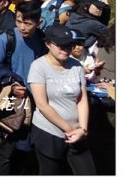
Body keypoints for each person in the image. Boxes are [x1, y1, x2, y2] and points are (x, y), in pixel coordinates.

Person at [28, 24, 96, 175]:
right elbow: (42, 105)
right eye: (60, 45)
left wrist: (82, 129)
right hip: (49, 131)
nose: (65, 50)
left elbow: (82, 99)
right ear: (48, 44)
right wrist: (69, 129)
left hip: (78, 132)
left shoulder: (76, 66)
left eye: (69, 46)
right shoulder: (38, 67)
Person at [0, 1, 47, 175]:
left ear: (39, 23)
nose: (22, 27)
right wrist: (11, 87)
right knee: (7, 148)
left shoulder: (42, 39)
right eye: (19, 21)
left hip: (34, 101)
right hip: (13, 100)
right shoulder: (6, 39)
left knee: (24, 148)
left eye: (28, 23)